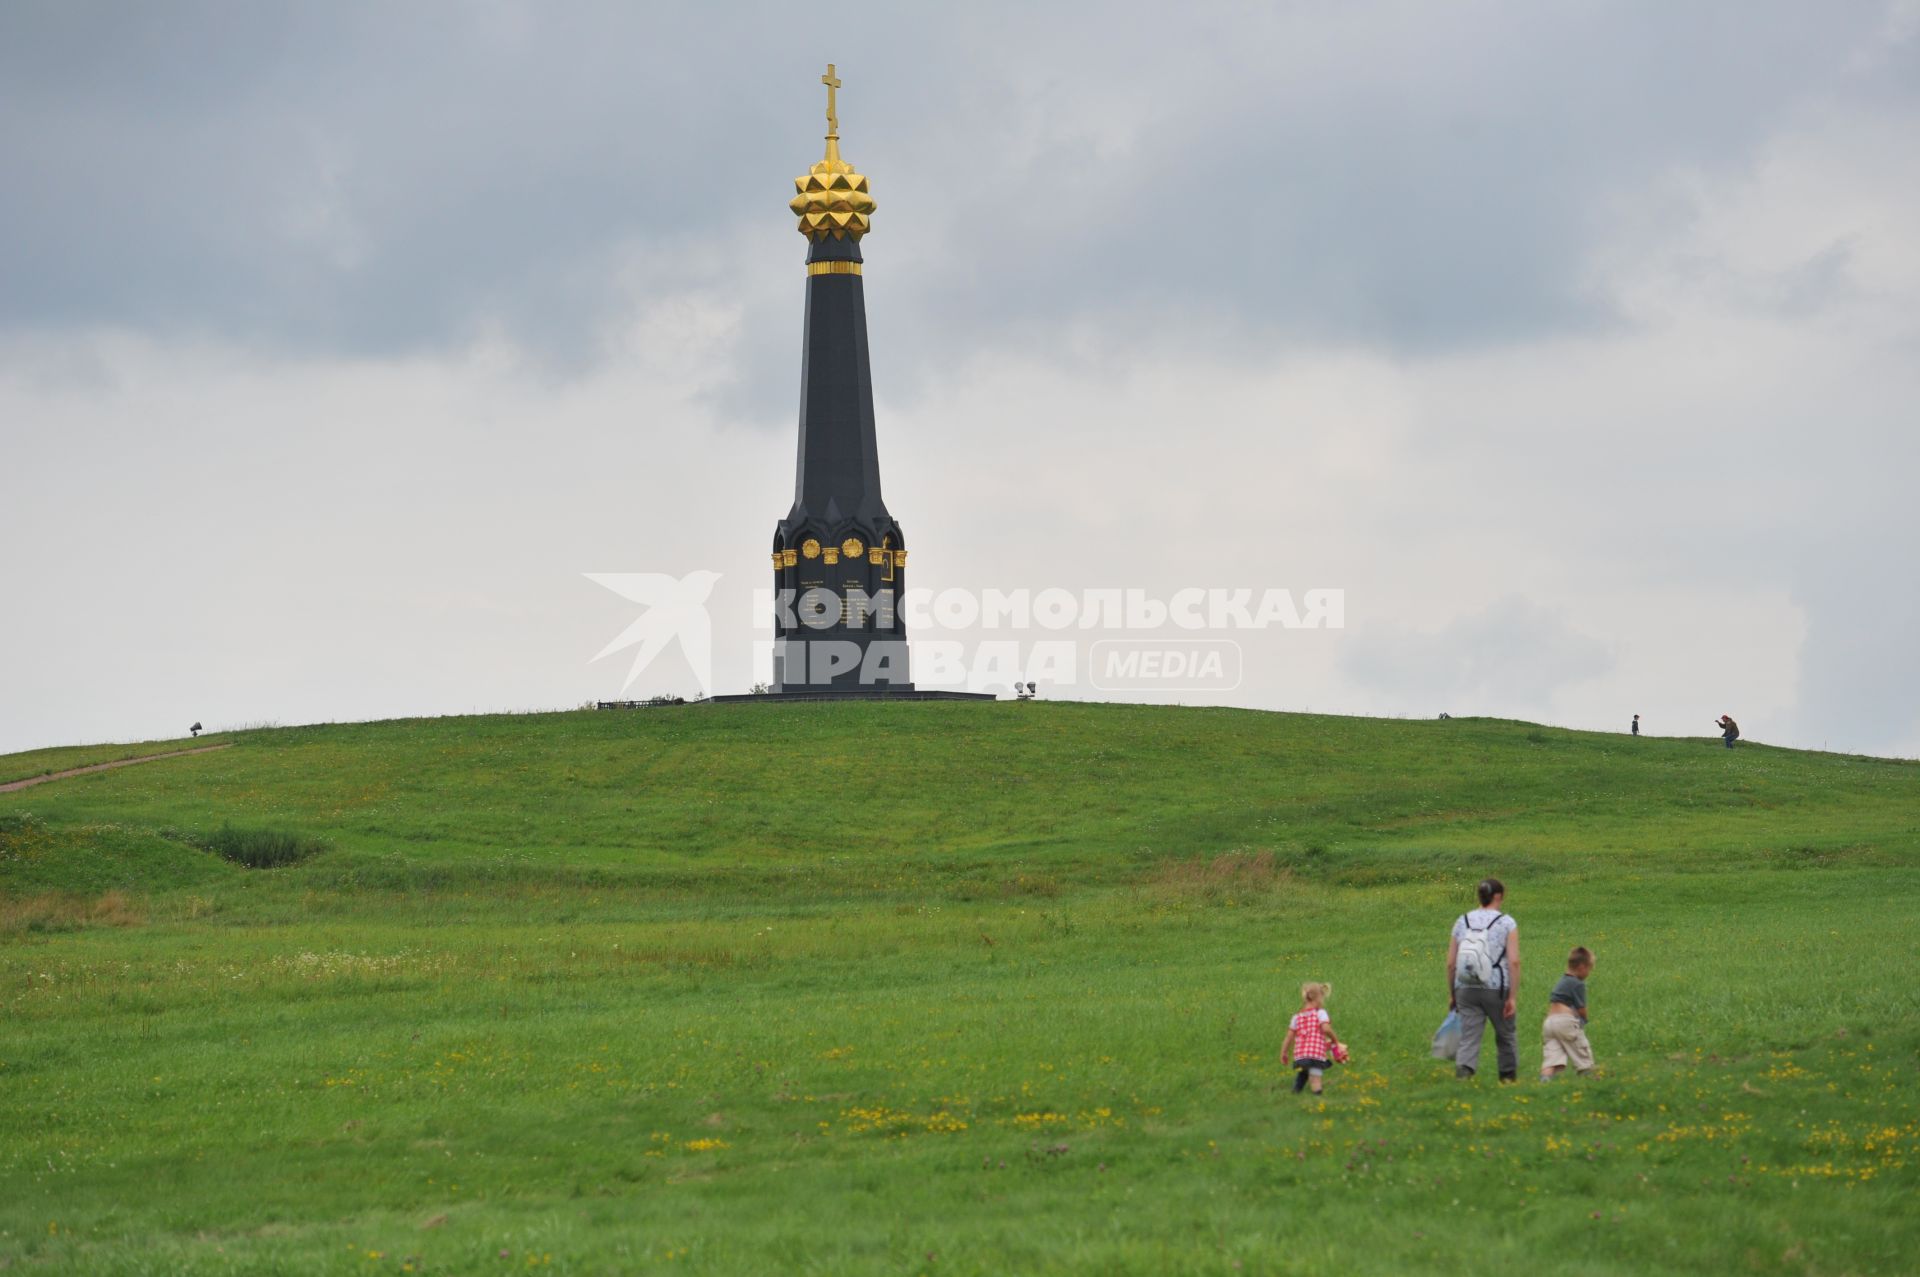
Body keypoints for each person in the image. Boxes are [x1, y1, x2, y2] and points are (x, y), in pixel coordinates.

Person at [1446, 877, 1520, 1082]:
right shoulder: (1506, 922)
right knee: (1505, 1034)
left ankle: (1463, 1075)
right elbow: (1514, 962)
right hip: (1496, 987)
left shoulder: (1463, 921)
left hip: (1465, 986)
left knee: (1469, 1035)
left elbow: (1451, 963)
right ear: (1499, 896)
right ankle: (1507, 1078)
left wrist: (1453, 993)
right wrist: (1512, 997)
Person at [1541, 946, 1596, 1081]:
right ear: (1582, 967)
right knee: (1581, 1051)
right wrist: (1584, 1019)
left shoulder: (1562, 981)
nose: (1589, 973)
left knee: (1552, 1056)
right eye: (1589, 969)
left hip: (1549, 1023)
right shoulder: (1577, 984)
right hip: (1565, 1022)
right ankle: (1589, 1077)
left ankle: (1544, 1080)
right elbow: (1581, 1008)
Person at [1280, 981, 1344, 1096]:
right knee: (1315, 1078)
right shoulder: (1320, 1013)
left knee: (1303, 1072)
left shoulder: (1296, 1017)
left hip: (1300, 1056)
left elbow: (1289, 1037)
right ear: (1317, 998)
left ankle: (1295, 1092)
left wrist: (1284, 1052)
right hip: (1315, 1055)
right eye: (1322, 998)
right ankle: (1317, 1098)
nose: (1322, 1001)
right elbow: (1326, 1029)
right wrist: (1335, 1041)